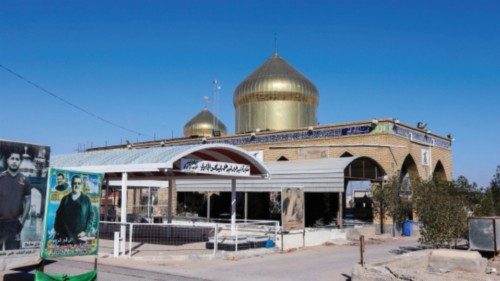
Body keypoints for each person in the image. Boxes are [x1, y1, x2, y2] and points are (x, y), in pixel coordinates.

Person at [0, 152, 31, 250]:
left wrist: (23, 220)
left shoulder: (25, 179)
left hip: (14, 223)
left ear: (20, 162)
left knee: (13, 253)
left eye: (17, 159)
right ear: (8, 160)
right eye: (12, 158)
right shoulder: (1, 177)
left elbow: (28, 201)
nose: (14, 161)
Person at [54, 175, 94, 244]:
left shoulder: (86, 199)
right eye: (74, 183)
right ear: (71, 184)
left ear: (81, 185)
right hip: (65, 238)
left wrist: (85, 231)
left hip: (79, 237)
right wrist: (58, 230)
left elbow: (91, 216)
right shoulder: (65, 199)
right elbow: (58, 216)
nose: (77, 185)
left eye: (79, 183)